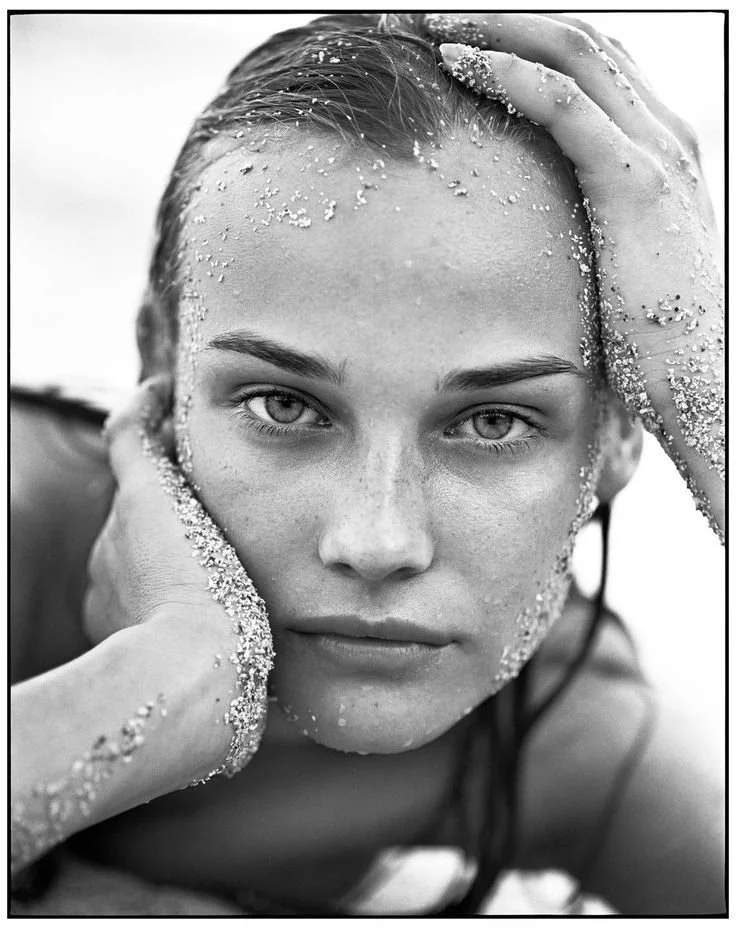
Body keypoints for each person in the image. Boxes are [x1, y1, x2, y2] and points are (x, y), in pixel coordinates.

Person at [10, 12, 724, 916]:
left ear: (621, 434)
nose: (376, 540)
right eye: (286, 405)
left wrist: (715, 413)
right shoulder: (16, 527)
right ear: (162, 361)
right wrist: (161, 687)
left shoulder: (564, 739)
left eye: (494, 421)